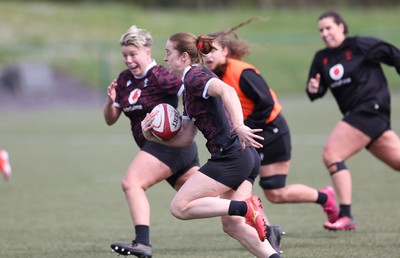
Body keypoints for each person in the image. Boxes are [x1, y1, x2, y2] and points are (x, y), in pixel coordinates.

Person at [141, 31, 281, 258]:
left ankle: (246, 208)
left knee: (179, 207)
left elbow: (228, 90)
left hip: (231, 156)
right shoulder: (188, 89)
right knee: (233, 225)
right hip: (244, 156)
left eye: (168, 53)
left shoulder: (194, 76)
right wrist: (151, 136)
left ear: (184, 56)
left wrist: (239, 125)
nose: (165, 58)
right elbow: (186, 138)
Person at [204, 18, 338, 239]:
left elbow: (266, 103)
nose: (208, 56)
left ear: (226, 51)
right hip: (248, 134)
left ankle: (324, 197)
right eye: (205, 52)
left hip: (271, 131)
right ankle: (266, 231)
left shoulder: (242, 72)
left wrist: (243, 128)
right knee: (245, 185)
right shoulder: (212, 78)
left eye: (213, 50)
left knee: (275, 193)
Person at [104, 25, 200, 257]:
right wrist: (110, 102)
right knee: (202, 199)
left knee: (131, 183)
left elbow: (193, 91)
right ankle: (260, 224)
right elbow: (110, 120)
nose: (128, 60)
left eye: (133, 54)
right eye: (125, 55)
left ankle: (142, 242)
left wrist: (186, 122)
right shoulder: (125, 80)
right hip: (166, 150)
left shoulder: (161, 75)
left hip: (166, 145)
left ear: (147, 52)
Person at [307, 10, 400, 231]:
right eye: (321, 30)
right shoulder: (322, 58)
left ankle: (346, 215)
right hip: (360, 118)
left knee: (332, 153)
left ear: (341, 26)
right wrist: (314, 89)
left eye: (329, 28)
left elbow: (392, 53)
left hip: (370, 109)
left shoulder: (359, 45)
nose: (325, 33)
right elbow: (315, 90)